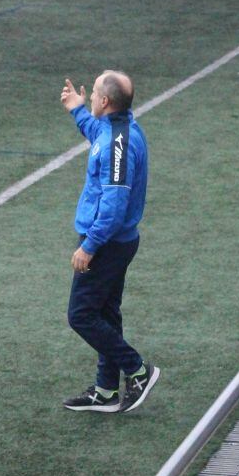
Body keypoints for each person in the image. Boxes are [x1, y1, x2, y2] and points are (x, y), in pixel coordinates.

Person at [58, 72, 159, 413]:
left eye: (95, 91)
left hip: (108, 243)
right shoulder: (114, 127)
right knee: (106, 313)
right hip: (115, 241)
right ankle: (106, 390)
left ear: (104, 101)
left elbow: (114, 207)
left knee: (82, 315)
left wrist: (90, 246)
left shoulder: (120, 144)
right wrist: (77, 110)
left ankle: (138, 370)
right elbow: (96, 133)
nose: (92, 93)